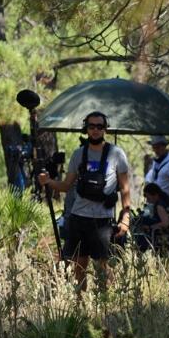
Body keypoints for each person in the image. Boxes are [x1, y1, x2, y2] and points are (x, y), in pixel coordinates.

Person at [38, 111, 132, 291]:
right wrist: (48, 181)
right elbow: (66, 186)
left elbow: (125, 189)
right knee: (79, 264)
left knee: (103, 265)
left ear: (105, 129)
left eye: (99, 126)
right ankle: (81, 303)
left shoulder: (117, 154)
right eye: (91, 126)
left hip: (103, 220)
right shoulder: (78, 154)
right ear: (85, 128)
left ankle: (104, 303)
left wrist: (125, 216)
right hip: (78, 217)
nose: (95, 130)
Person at [134, 182, 169, 253]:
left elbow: (166, 223)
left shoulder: (160, 205)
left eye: (148, 197)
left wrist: (150, 227)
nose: (147, 200)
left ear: (155, 195)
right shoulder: (163, 200)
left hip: (162, 236)